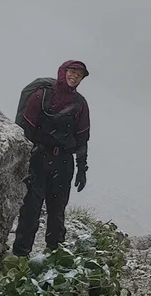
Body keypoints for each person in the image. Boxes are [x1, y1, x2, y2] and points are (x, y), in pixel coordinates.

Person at [10, 60, 91, 257]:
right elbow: (26, 128)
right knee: (31, 208)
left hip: (63, 163)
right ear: (63, 72)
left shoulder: (80, 104)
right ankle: (21, 255)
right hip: (38, 159)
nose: (74, 77)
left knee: (57, 211)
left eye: (79, 75)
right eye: (72, 72)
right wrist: (24, 159)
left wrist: (82, 168)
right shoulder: (42, 95)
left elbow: (82, 137)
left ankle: (54, 254)